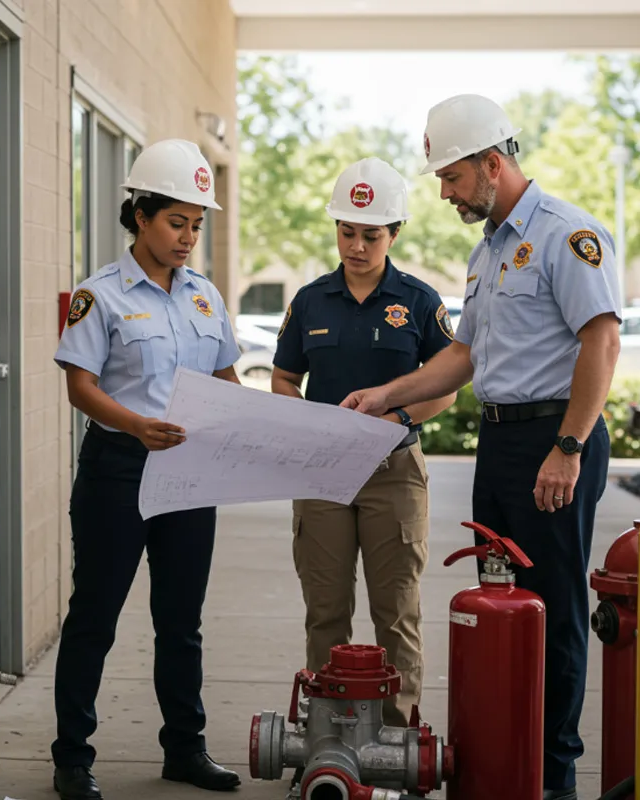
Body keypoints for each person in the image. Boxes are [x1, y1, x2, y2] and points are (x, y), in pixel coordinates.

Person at [342, 95, 622, 800]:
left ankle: (551, 774)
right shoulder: (487, 251)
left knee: (552, 608)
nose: (444, 193)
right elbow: (463, 356)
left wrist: (568, 447)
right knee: (500, 599)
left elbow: (602, 341)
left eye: (452, 177)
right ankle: (505, 758)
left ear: (493, 164)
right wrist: (386, 396)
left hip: (553, 440)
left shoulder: (566, 234)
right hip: (499, 444)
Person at [51, 139, 242, 800]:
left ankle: (185, 749)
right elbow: (80, 386)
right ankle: (72, 757)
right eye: (176, 222)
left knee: (180, 622)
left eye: (197, 225)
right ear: (141, 217)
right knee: (94, 616)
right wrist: (135, 425)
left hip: (190, 473)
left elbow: (226, 379)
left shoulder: (205, 298)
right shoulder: (99, 295)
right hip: (118, 470)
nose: (188, 237)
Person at [272, 157, 457, 732]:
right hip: (322, 473)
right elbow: (284, 378)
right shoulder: (310, 301)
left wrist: (395, 415)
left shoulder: (420, 301)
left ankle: (397, 742)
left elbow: (446, 388)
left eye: (371, 235)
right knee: (325, 612)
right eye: (347, 231)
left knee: (395, 614)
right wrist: (308, 421)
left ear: (394, 234)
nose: (356, 246)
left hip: (393, 471)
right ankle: (325, 737)